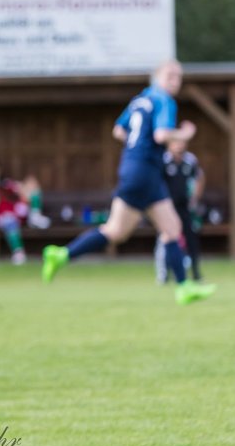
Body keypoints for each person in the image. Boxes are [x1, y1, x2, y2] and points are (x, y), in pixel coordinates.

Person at [42, 59, 215, 305]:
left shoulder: (139, 100)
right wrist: (184, 134)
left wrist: (137, 149)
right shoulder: (163, 99)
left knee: (120, 230)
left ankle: (61, 254)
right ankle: (183, 286)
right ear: (157, 78)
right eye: (170, 76)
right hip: (145, 171)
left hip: (132, 168)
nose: (175, 81)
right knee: (170, 228)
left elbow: (118, 130)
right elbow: (162, 135)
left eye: (178, 77)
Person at [155, 137, 205, 282]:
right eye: (175, 143)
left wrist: (195, 197)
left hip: (185, 207)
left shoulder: (190, 160)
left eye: (181, 142)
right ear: (169, 144)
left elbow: (199, 177)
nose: (179, 146)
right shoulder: (163, 160)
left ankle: (195, 273)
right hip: (167, 207)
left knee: (191, 239)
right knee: (166, 239)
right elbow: (156, 181)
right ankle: (163, 274)